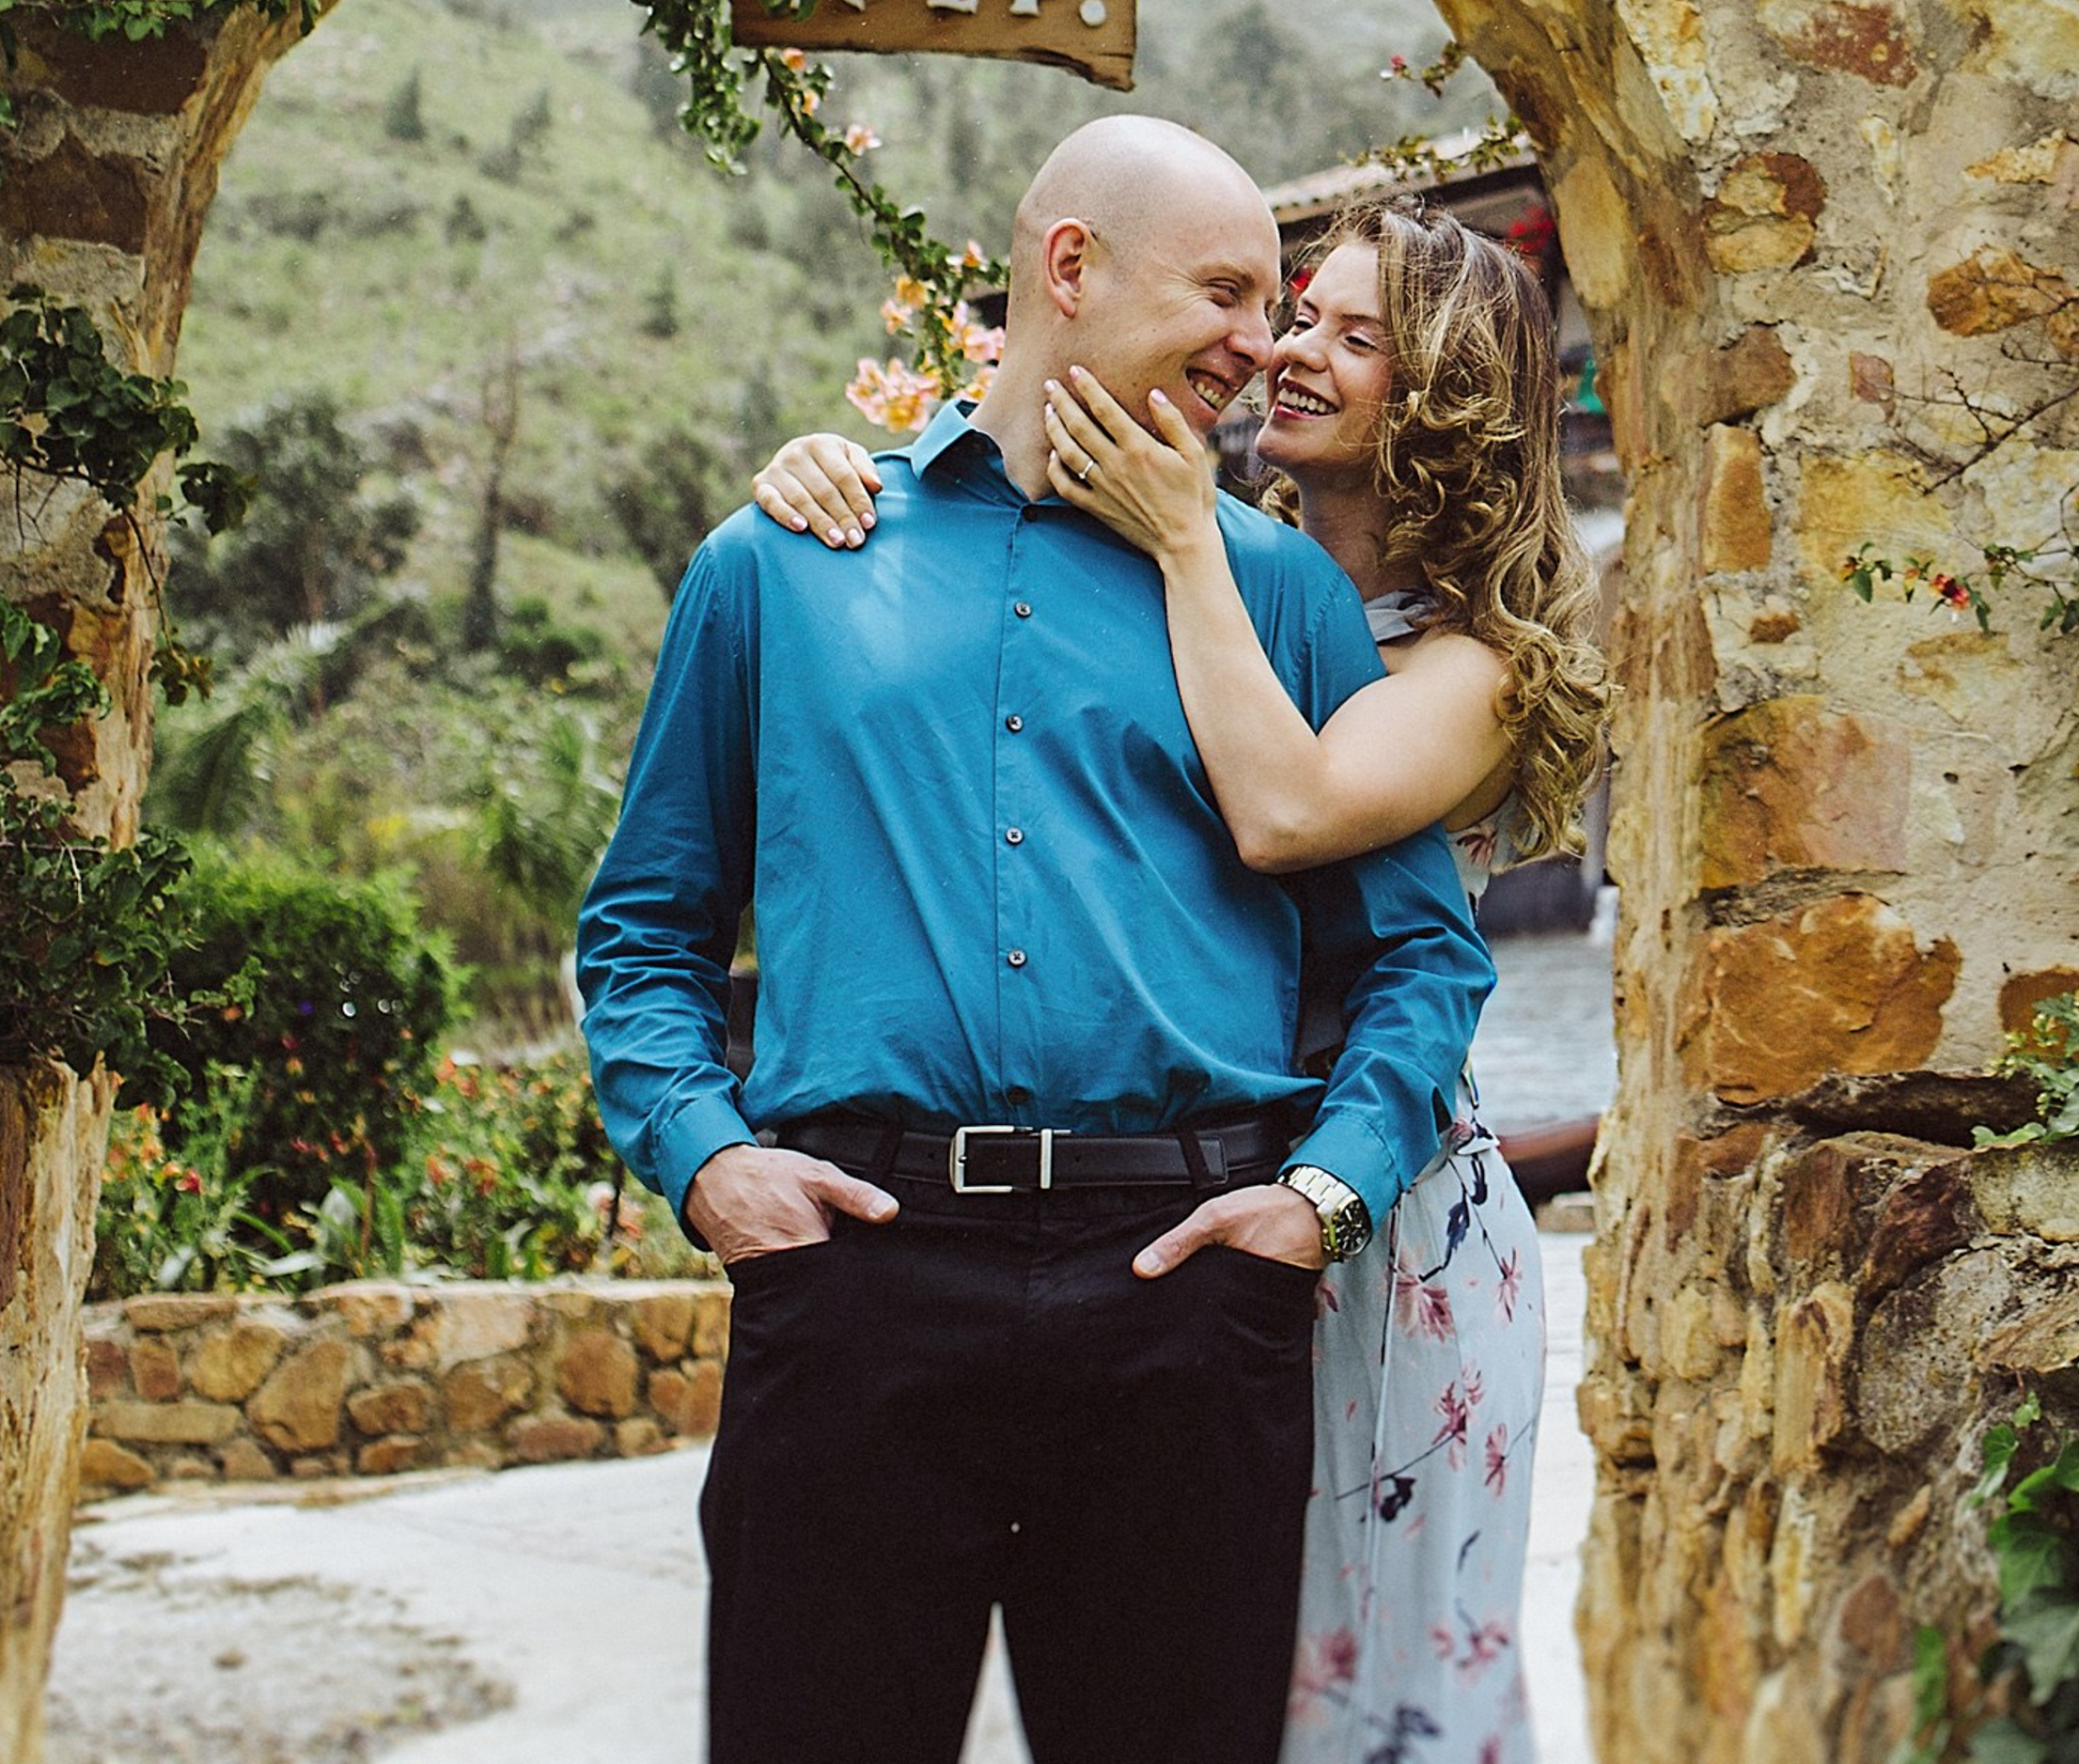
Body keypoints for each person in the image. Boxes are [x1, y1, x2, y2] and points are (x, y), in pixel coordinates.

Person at [578, 121, 1496, 1764]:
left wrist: (1321, 1199)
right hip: (855, 1282)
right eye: (1227, 293)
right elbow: (647, 929)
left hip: (1187, 1296)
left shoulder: (1281, 596)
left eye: (1279, 305)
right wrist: (708, 1162)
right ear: (1071, 267)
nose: (1260, 344)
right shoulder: (777, 564)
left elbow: (1420, 960)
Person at [755, 192, 1609, 1763]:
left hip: (1377, 1209)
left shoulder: (1461, 660)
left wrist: (1188, 539)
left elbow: (1288, 817)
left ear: (1445, 400)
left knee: (1362, 1689)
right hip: (1189, 1210)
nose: (1286, 352)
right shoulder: (1209, 559)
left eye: (1355, 336)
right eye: (1297, 316)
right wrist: (846, 476)